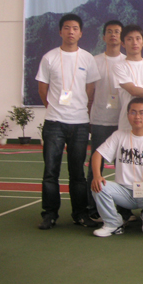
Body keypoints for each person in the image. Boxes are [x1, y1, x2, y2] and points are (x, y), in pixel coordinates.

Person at [36, 13, 101, 230]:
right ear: (60, 32)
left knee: (77, 173)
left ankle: (80, 214)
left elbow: (90, 90)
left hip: (80, 123)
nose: (70, 32)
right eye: (66, 28)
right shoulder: (49, 58)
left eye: (75, 28)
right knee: (50, 171)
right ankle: (50, 214)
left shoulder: (87, 58)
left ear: (80, 33)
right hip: (54, 122)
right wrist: (54, 108)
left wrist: (79, 109)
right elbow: (43, 89)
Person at [91, 98, 143, 237]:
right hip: (124, 191)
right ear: (128, 115)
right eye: (133, 112)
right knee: (98, 186)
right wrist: (97, 176)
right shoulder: (119, 135)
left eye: (142, 113)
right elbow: (97, 154)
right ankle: (113, 223)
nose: (137, 117)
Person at [87, 20, 125, 221]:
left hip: (122, 122)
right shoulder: (94, 61)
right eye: (109, 31)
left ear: (122, 37)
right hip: (100, 120)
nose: (113, 35)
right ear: (103, 37)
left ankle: (123, 210)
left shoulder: (127, 61)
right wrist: (88, 117)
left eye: (117, 32)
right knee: (95, 166)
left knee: (124, 168)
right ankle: (92, 208)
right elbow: (89, 93)